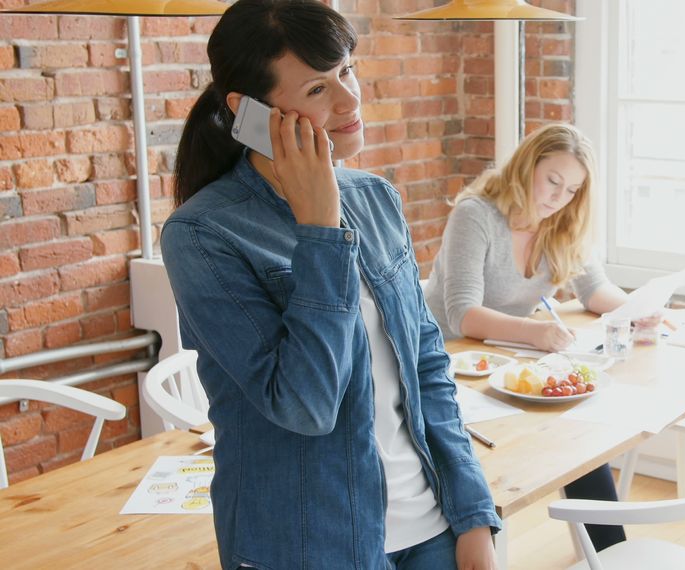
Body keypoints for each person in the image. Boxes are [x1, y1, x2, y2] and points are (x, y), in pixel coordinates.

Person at [161, 1, 499, 568]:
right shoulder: (201, 235)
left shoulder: (375, 198)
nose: (349, 100)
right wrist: (320, 231)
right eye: (317, 89)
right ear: (247, 112)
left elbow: (425, 366)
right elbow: (306, 406)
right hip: (308, 546)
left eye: (347, 71)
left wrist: (473, 514)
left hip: (432, 528)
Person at [424, 123, 654, 552]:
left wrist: (637, 310)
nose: (558, 197)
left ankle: (610, 556)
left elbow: (594, 289)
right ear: (528, 164)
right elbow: (462, 314)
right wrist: (537, 333)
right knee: (497, 462)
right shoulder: (477, 215)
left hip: (507, 358)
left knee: (578, 434)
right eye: (552, 181)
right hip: (447, 358)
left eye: (571, 190)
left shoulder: (561, 222)